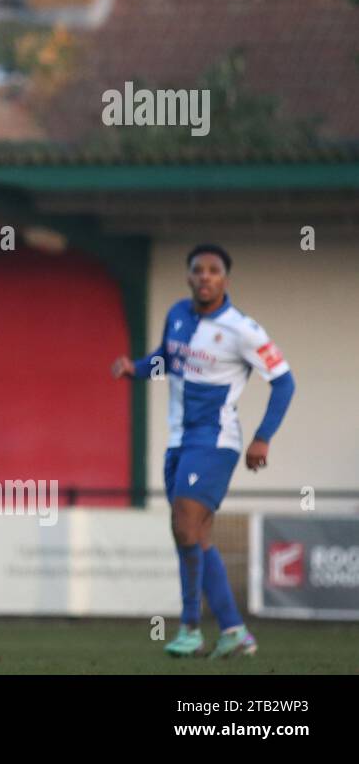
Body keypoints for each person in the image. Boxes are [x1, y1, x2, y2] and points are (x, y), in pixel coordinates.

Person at [111, 244, 296, 658]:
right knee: (193, 534)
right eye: (198, 270)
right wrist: (135, 369)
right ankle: (234, 631)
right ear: (189, 277)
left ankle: (191, 628)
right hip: (179, 440)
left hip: (215, 441)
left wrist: (263, 437)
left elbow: (284, 381)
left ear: (225, 280)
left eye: (214, 270)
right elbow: (165, 360)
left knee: (184, 524)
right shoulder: (177, 314)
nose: (205, 277)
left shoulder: (242, 329)